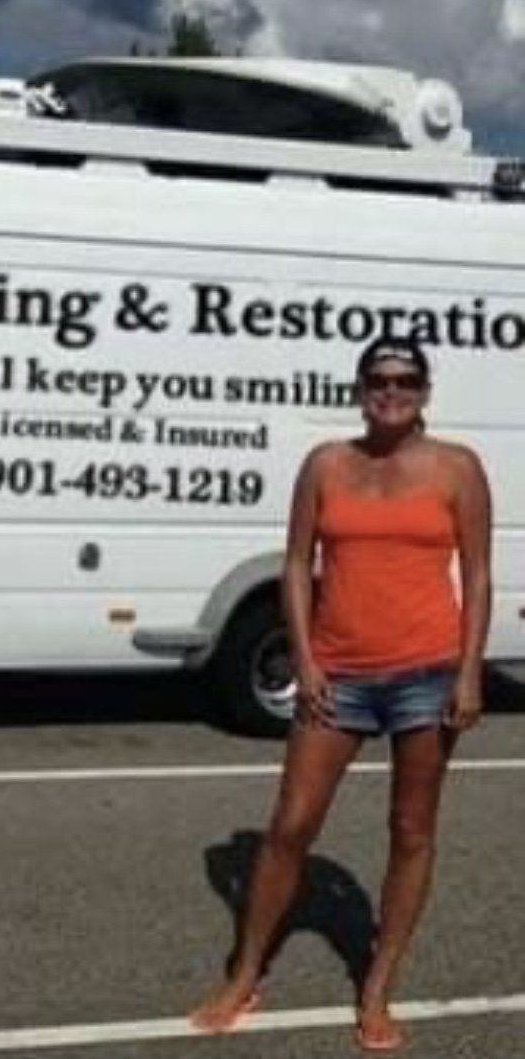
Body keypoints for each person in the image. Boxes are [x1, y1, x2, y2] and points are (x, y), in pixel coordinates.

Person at [189, 336, 492, 1052]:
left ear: (425, 390)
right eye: (379, 379)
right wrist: (307, 658)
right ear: (360, 388)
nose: (392, 391)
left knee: (411, 832)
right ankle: (245, 973)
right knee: (290, 825)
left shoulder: (458, 469)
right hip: (340, 674)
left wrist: (471, 670)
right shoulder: (327, 464)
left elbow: (477, 576)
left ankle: (379, 985)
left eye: (407, 379)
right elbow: (297, 564)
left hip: (427, 672)